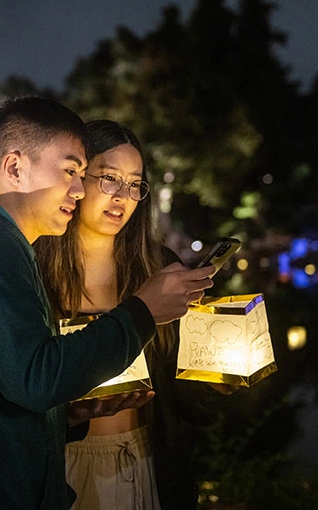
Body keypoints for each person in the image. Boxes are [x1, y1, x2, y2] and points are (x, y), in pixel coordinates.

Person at [0, 97, 216, 509]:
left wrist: (64, 419)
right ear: (15, 167)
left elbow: (9, 381)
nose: (78, 188)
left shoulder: (2, 244)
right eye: (73, 171)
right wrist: (142, 311)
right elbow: (37, 376)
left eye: (82, 174)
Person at [34, 119, 236, 510]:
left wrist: (212, 382)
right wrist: (69, 415)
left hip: (148, 460)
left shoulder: (158, 269)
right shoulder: (34, 272)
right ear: (76, 178)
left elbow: (180, 394)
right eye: (109, 178)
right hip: (62, 468)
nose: (122, 196)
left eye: (134, 184)